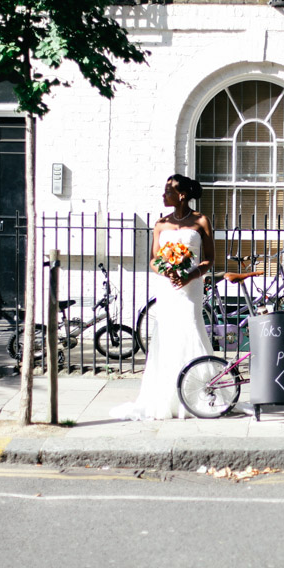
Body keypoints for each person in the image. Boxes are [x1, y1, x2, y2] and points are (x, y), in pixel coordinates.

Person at [111, 174, 214, 420]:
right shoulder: (160, 224)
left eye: (168, 191)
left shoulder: (201, 221)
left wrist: (190, 276)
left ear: (181, 195)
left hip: (190, 287)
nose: (163, 194)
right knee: (166, 333)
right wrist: (167, 270)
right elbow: (153, 261)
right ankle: (167, 396)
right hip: (167, 288)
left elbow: (209, 260)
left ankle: (198, 392)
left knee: (191, 329)